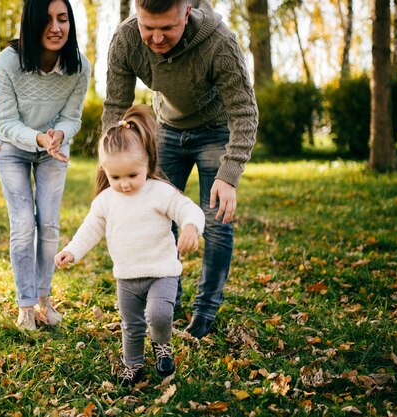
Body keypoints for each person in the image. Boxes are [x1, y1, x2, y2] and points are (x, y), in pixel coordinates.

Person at [102, 0, 258, 339]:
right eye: (148, 28)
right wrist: (108, 166)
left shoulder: (219, 43)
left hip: (215, 131)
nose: (156, 39)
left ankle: (205, 310)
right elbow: (116, 105)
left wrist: (228, 174)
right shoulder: (126, 40)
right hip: (166, 129)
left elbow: (244, 111)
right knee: (159, 215)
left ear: (187, 13)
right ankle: (169, 294)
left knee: (215, 221)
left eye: (167, 29)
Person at [55, 105, 205, 386]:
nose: (123, 184)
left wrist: (190, 227)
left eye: (132, 175)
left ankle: (162, 344)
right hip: (126, 277)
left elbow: (188, 209)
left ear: (148, 163)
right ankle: (132, 364)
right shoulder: (106, 200)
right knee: (132, 326)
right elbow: (91, 228)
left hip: (162, 272)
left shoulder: (159, 191)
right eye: (115, 177)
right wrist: (72, 250)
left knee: (159, 314)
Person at [0, 0, 90, 331]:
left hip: (53, 150)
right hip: (10, 146)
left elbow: (72, 117)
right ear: (31, 24)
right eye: (47, 20)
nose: (56, 27)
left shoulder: (79, 67)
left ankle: (45, 300)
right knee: (23, 225)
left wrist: (58, 134)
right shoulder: (9, 62)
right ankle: (25, 306)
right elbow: (5, 120)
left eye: (63, 19)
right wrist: (38, 138)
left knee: (48, 225)